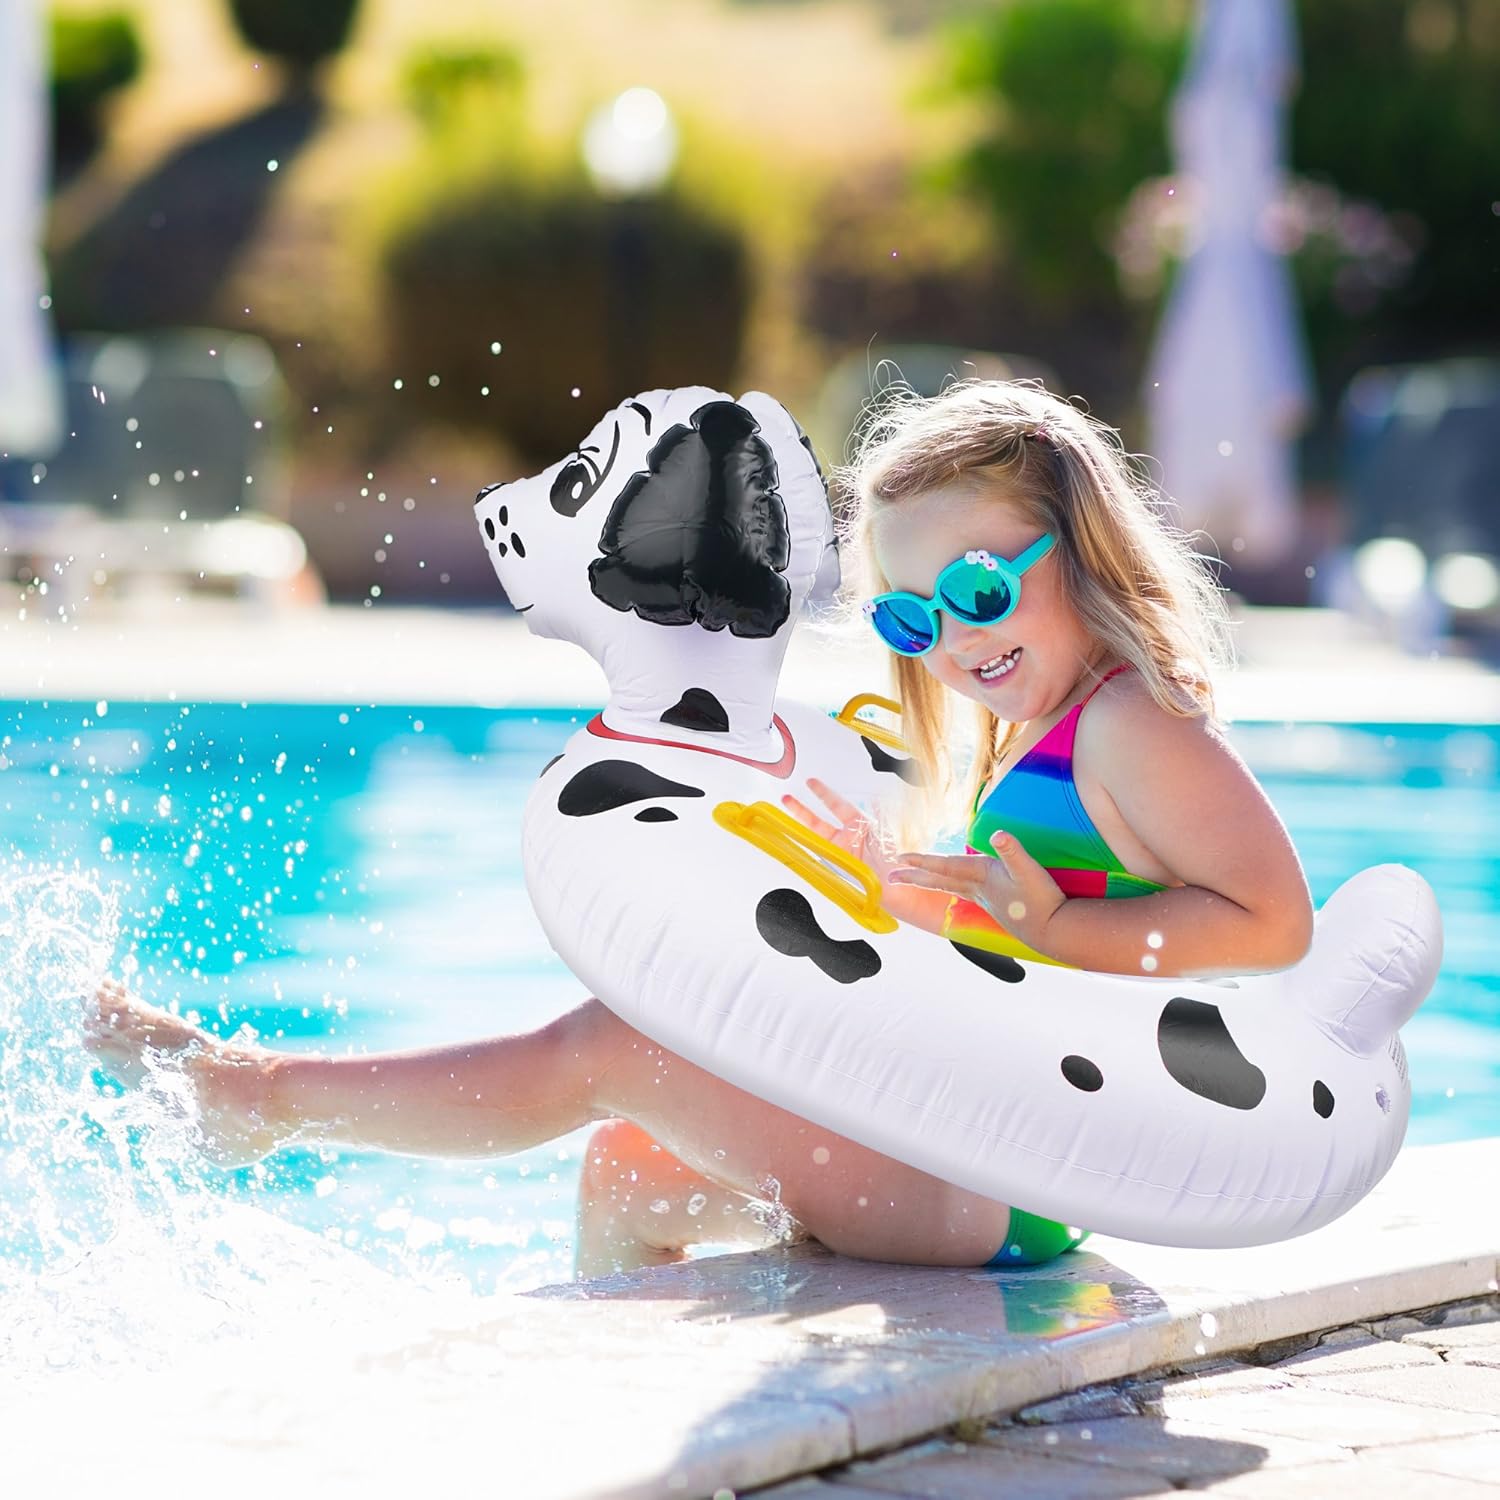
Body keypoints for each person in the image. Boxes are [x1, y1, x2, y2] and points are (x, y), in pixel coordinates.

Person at [86, 379, 1314, 1279]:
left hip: (1007, 1188)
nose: (955, 641)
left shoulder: (1130, 726)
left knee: (616, 1046)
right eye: (911, 623)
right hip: (982, 1144)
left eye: (981, 591)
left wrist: (1053, 928)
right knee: (626, 1167)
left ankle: (260, 1098)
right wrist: (902, 898)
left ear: (1078, 547)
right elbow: (1031, 959)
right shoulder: (1054, 729)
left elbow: (1269, 923)